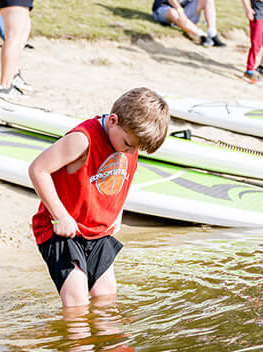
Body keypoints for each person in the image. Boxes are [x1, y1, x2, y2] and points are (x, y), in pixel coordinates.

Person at [27, 87, 169, 309]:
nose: (131, 153)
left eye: (136, 149)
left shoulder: (128, 142)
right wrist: (60, 216)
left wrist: (117, 213)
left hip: (98, 233)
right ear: (113, 120)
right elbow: (38, 169)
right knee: (77, 302)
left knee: (106, 297)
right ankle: (78, 343)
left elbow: (121, 179)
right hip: (64, 231)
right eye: (129, 145)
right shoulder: (83, 140)